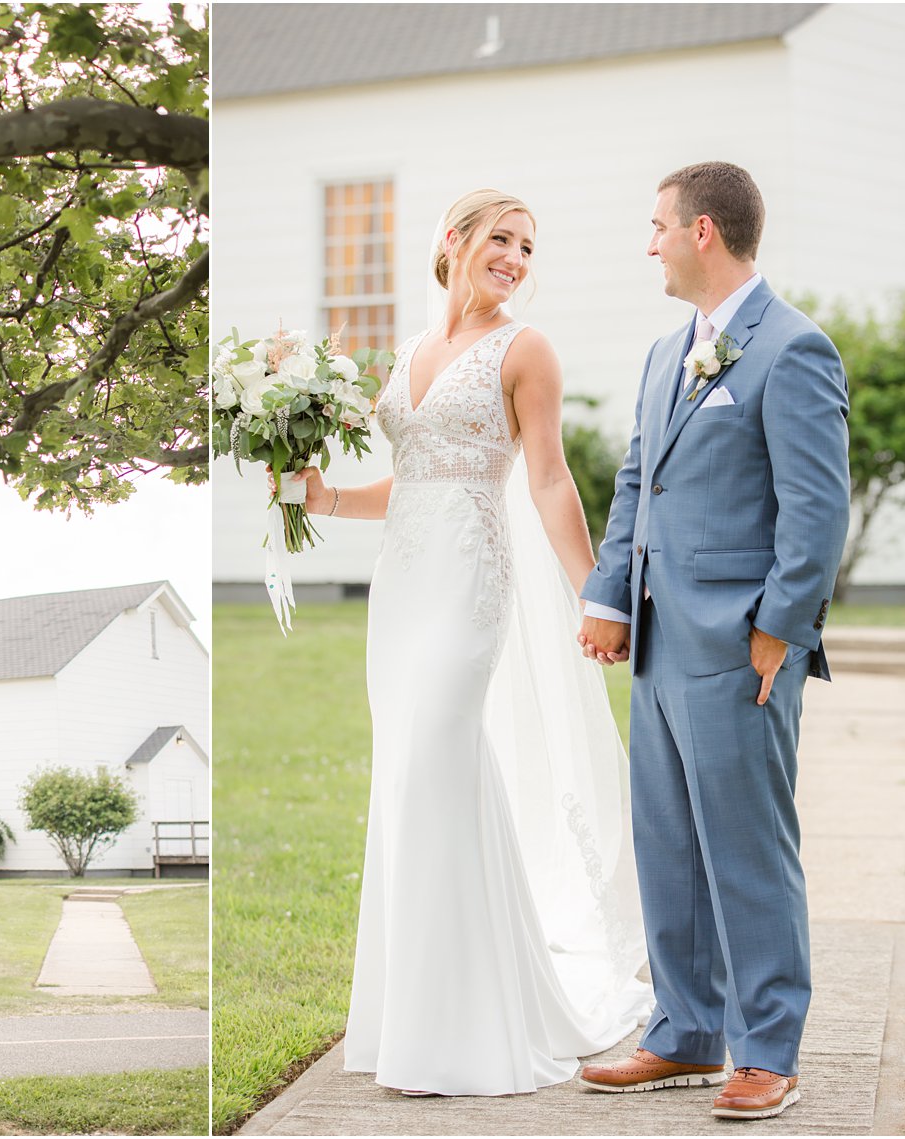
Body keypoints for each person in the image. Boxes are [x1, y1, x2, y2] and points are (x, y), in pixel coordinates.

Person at [287, 188, 650, 1097]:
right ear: (453, 241)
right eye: (503, 239)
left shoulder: (526, 349)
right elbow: (410, 483)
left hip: (468, 589)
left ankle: (471, 1025)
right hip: (401, 592)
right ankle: (409, 1016)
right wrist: (321, 497)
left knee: (443, 760)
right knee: (407, 779)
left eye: (529, 247)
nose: (518, 259)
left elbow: (550, 480)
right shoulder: (409, 352)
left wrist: (598, 594)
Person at [576, 161, 849, 1122]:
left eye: (656, 226)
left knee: (747, 850)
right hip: (655, 646)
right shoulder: (665, 355)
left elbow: (816, 515)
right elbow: (632, 487)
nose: (646, 243)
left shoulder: (796, 349)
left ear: (702, 232)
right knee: (668, 845)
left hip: (742, 650)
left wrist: (777, 631)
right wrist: (609, 597)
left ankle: (767, 1050)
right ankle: (684, 1032)